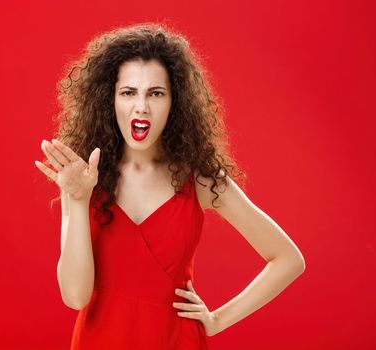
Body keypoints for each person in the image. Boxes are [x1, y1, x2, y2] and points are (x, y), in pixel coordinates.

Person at [34, 23, 305, 349]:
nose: (141, 107)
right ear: (110, 100)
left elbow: (288, 259)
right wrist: (78, 200)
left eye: (156, 93)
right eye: (128, 92)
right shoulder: (82, 178)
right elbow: (75, 297)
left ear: (175, 102)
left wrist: (218, 320)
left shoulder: (201, 179)